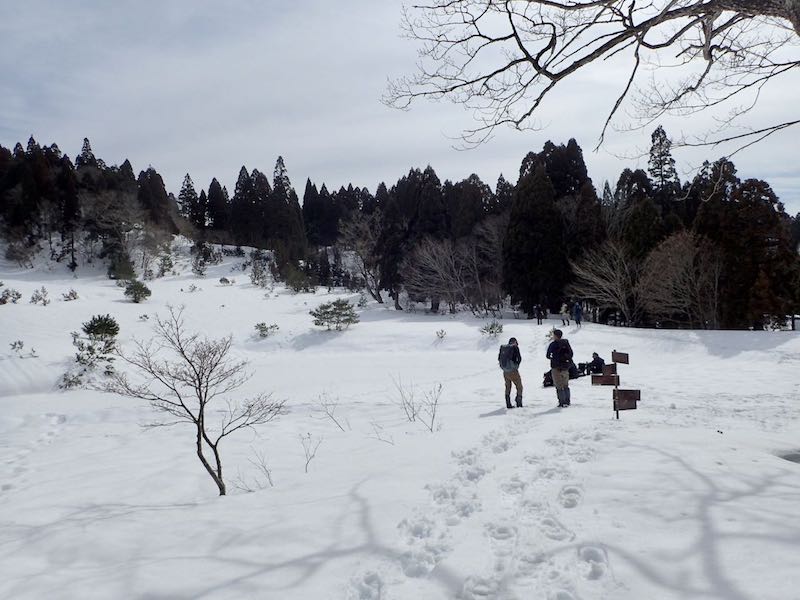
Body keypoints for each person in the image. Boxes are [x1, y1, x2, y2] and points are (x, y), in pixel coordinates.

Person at [546, 329, 573, 407]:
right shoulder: (566, 343)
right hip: (565, 367)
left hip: (556, 367)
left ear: (555, 336)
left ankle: (561, 401)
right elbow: (571, 353)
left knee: (558, 385)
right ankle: (567, 401)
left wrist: (553, 358)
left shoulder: (553, 344)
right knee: (565, 385)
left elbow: (548, 355)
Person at [498, 337, 523, 409]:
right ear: (515, 342)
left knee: (508, 387)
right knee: (519, 386)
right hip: (513, 371)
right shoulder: (515, 347)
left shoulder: (504, 348)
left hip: (505, 371)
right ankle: (519, 403)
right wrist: (516, 366)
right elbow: (519, 358)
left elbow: (499, 358)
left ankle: (508, 403)